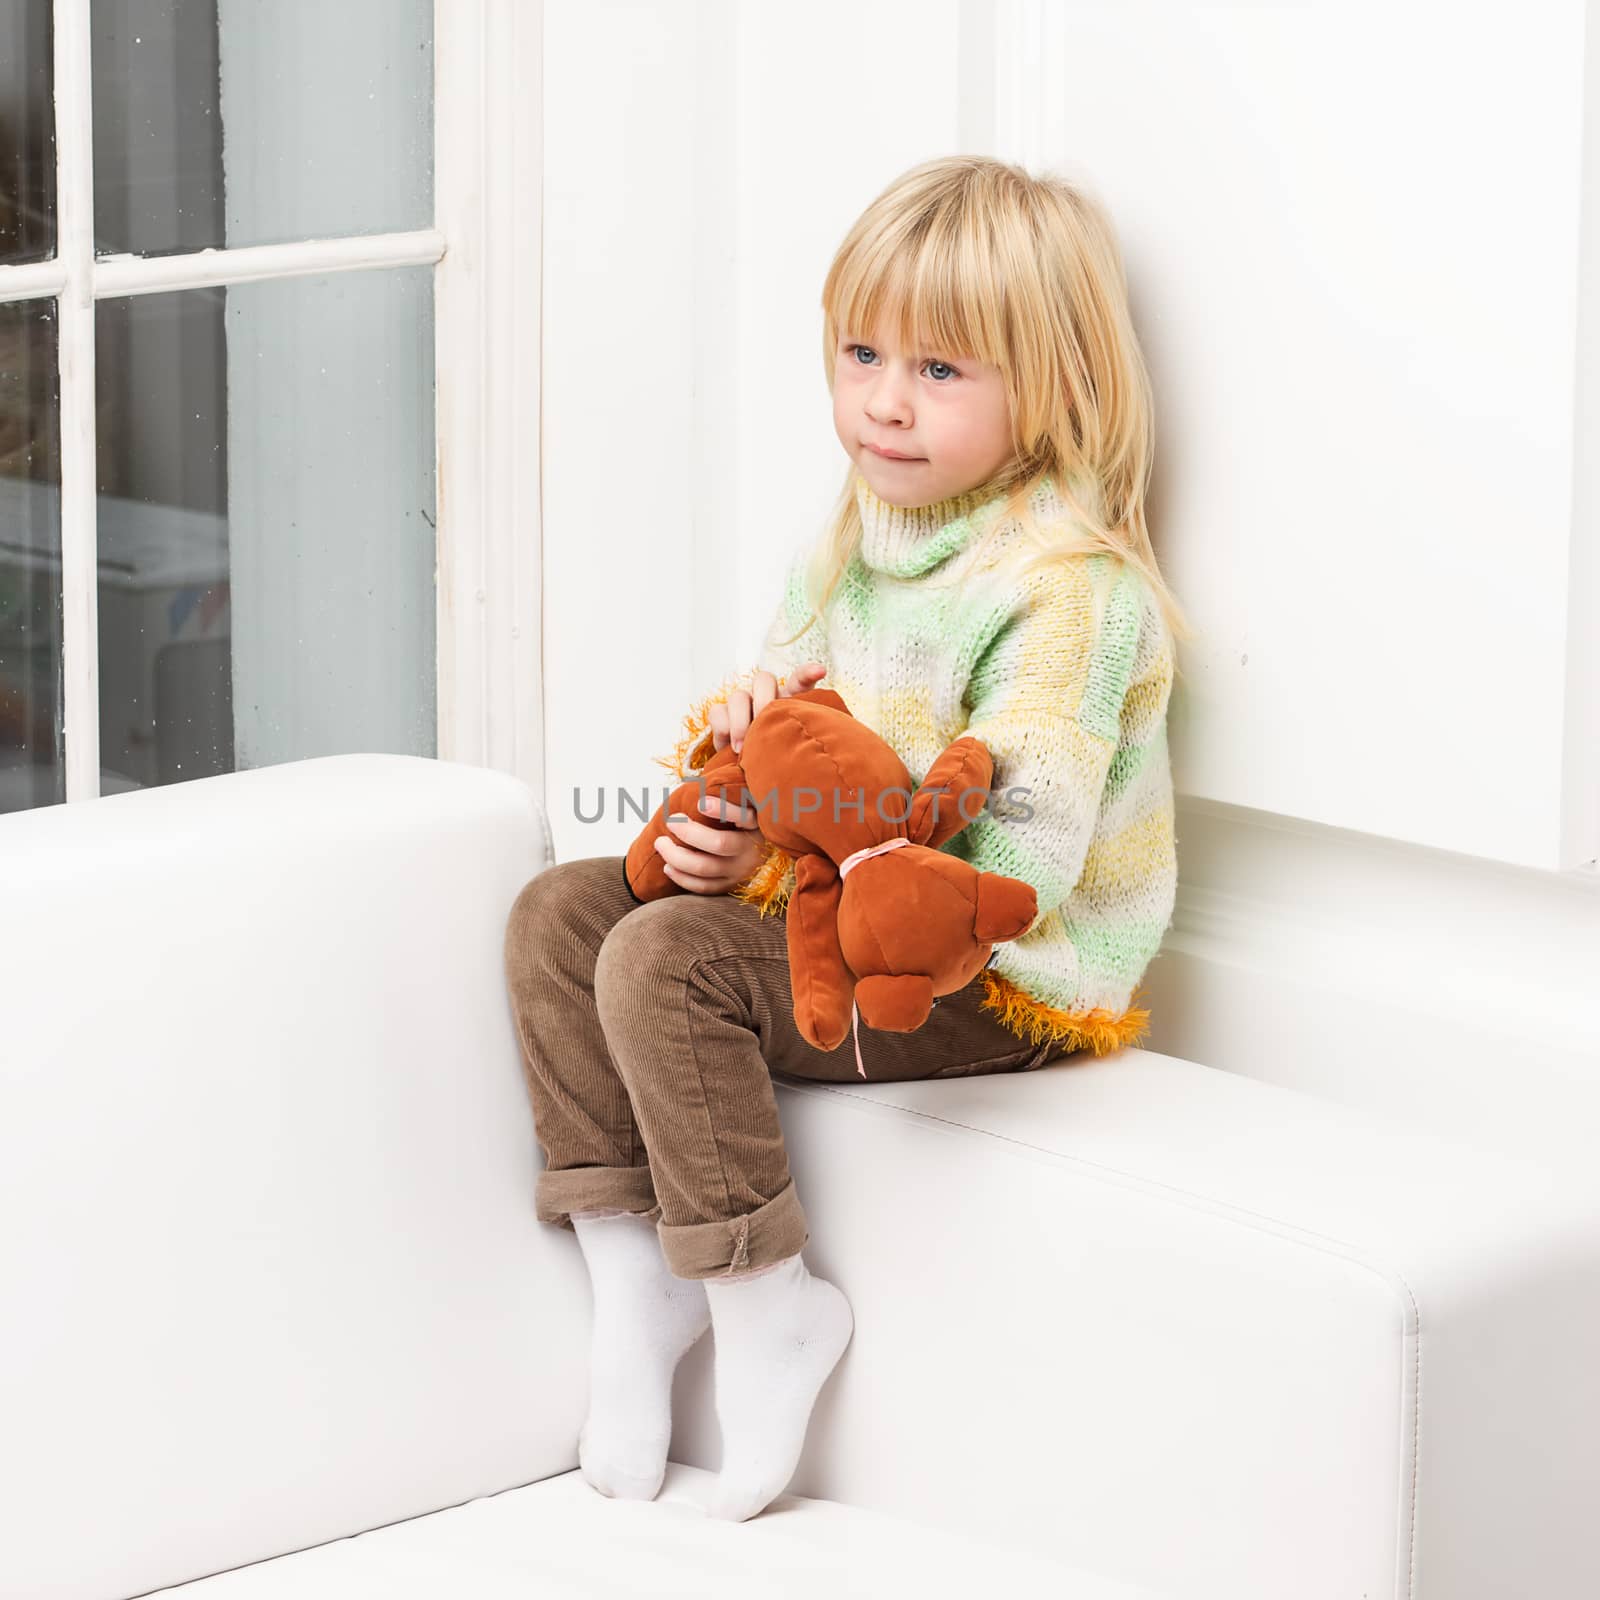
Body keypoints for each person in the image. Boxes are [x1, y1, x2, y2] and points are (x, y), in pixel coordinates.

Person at [502, 154, 1191, 1524]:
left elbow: (1021, 867)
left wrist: (792, 853)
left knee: (666, 965)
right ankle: (634, 1270)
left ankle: (765, 1300)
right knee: (562, 918)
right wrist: (732, 806)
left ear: (1052, 382)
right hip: (846, 902)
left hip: (989, 972)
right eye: (863, 352)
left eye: (942, 371)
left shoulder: (1069, 595)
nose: (883, 398)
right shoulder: (857, 536)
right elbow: (792, 753)